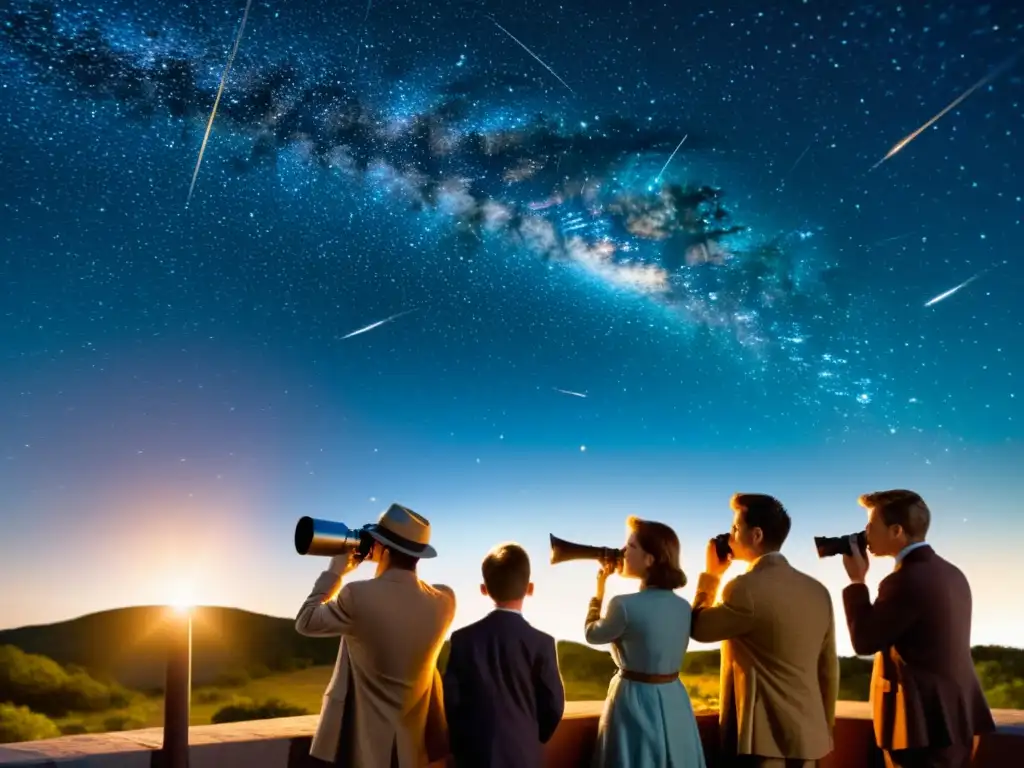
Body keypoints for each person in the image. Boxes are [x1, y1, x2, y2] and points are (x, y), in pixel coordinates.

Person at [840, 489, 995, 768]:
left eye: (870, 526)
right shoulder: (951, 572)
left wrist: (856, 582)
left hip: (919, 726)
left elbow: (864, 641)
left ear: (896, 531)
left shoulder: (903, 581)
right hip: (955, 717)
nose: (864, 534)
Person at [295, 503, 456, 768]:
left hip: (365, 749)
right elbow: (416, 592)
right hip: (413, 750)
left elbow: (306, 621)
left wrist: (336, 572)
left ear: (383, 548)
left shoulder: (356, 595)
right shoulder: (445, 602)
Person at [690, 493, 838, 768]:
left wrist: (712, 575)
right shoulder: (819, 591)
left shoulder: (743, 589)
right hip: (809, 736)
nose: (730, 535)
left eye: (735, 528)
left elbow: (698, 628)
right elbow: (828, 668)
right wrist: (824, 727)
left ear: (756, 535)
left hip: (762, 740)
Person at [584, 516, 707, 768]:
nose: (622, 552)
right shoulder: (683, 607)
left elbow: (592, 634)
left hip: (633, 698)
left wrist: (598, 591)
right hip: (674, 697)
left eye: (631, 546)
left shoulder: (622, 605)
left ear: (650, 560)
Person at [443, 542, 565, 767]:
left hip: (474, 755)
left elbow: (452, 701)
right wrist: (532, 735)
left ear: (484, 589)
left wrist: (462, 745)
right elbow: (554, 704)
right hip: (524, 754)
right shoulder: (542, 643)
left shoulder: (462, 639)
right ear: (530, 588)